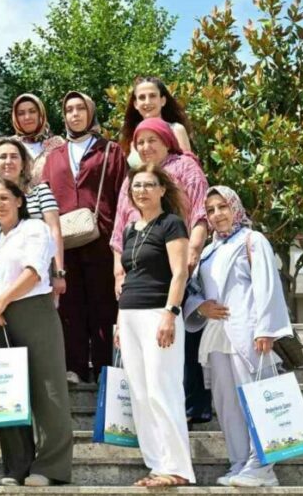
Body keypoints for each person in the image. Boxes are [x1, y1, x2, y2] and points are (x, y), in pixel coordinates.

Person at [184, 186, 292, 488]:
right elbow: (194, 291)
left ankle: (263, 465)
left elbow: (267, 285)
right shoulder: (208, 251)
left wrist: (266, 329)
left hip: (248, 330)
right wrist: (200, 307)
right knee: (226, 400)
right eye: (211, 210)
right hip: (217, 335)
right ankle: (239, 462)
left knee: (255, 397)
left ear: (235, 208)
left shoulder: (252, 240)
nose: (218, 215)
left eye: (223, 207)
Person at [0, 178, 73, 487]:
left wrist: (1, 300)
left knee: (48, 389)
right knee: (4, 390)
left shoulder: (35, 229)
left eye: (4, 197)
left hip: (33, 310)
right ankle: (16, 466)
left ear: (19, 200)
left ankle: (50, 467)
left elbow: (34, 270)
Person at [115, 164, 195, 488]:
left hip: (158, 313)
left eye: (149, 185)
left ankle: (177, 468)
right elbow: (128, 277)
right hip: (129, 314)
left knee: (163, 390)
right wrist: (119, 322)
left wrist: (170, 313)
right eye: (136, 186)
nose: (142, 191)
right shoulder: (131, 229)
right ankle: (157, 465)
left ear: (162, 190)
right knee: (140, 393)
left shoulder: (172, 224)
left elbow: (180, 273)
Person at [41, 91, 128, 383]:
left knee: (104, 304)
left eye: (80, 108)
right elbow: (44, 196)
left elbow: (122, 196)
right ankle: (75, 366)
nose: (75, 114)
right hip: (64, 241)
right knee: (69, 304)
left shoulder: (111, 151)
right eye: (69, 109)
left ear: (90, 113)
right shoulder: (54, 155)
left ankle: (105, 368)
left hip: (102, 236)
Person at [112, 117, 210, 282]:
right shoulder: (131, 178)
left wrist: (193, 251)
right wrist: (118, 273)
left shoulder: (186, 167)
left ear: (166, 141)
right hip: (137, 272)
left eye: (152, 140)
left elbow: (201, 212)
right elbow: (119, 227)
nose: (146, 147)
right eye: (140, 143)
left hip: (175, 263)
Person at [0, 138, 65, 283]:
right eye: (3, 157)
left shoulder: (41, 192)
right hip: (2, 276)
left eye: (14, 156)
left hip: (40, 274)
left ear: (23, 164)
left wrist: (58, 272)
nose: (8, 161)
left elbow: (54, 231)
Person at [120, 77, 194, 168]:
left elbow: (189, 169)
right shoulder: (130, 136)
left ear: (163, 101)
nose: (147, 102)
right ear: (135, 104)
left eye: (152, 96)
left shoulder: (176, 130)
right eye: (142, 97)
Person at [11, 93, 65, 185]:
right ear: (16, 117)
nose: (27, 117)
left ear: (41, 114)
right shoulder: (10, 145)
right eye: (21, 113)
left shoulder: (57, 144)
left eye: (32, 111)